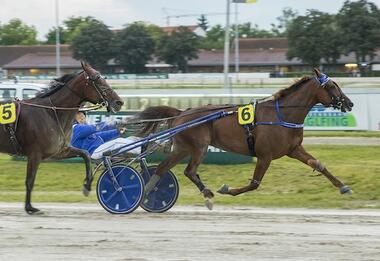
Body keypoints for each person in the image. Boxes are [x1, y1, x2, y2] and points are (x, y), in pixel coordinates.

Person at [71, 111, 141, 160]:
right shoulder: (76, 128)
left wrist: (117, 131)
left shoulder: (86, 132)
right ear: (74, 120)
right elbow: (96, 127)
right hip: (94, 152)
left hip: (99, 149)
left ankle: (145, 143)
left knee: (131, 139)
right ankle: (141, 149)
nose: (83, 120)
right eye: (80, 119)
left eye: (83, 118)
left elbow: (101, 135)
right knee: (118, 142)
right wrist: (116, 122)